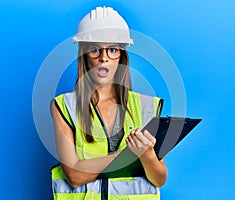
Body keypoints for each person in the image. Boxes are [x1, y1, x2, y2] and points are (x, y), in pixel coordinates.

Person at [50, 6, 167, 200]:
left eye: (112, 49)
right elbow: (74, 175)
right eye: (95, 49)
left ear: (122, 55)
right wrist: (126, 155)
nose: (104, 57)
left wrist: (147, 155)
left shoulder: (146, 107)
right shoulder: (65, 107)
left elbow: (159, 178)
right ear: (84, 54)